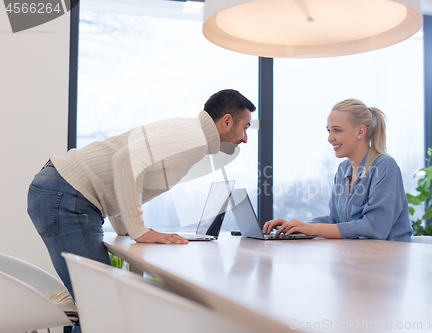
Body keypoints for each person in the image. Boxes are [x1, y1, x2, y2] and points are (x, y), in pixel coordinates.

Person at [27, 89, 256, 301]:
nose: (245, 138)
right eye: (245, 128)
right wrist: (139, 231)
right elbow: (125, 160)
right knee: (102, 306)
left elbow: (122, 171)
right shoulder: (194, 137)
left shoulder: (188, 130)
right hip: (67, 194)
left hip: (62, 190)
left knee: (97, 306)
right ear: (227, 121)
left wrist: (125, 228)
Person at [264, 99, 412, 242]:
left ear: (360, 131)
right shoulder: (343, 169)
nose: (329, 138)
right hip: (356, 258)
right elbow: (335, 220)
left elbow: (374, 228)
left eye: (337, 130)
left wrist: (312, 229)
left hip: (387, 261)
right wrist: (297, 227)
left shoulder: (385, 166)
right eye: (329, 130)